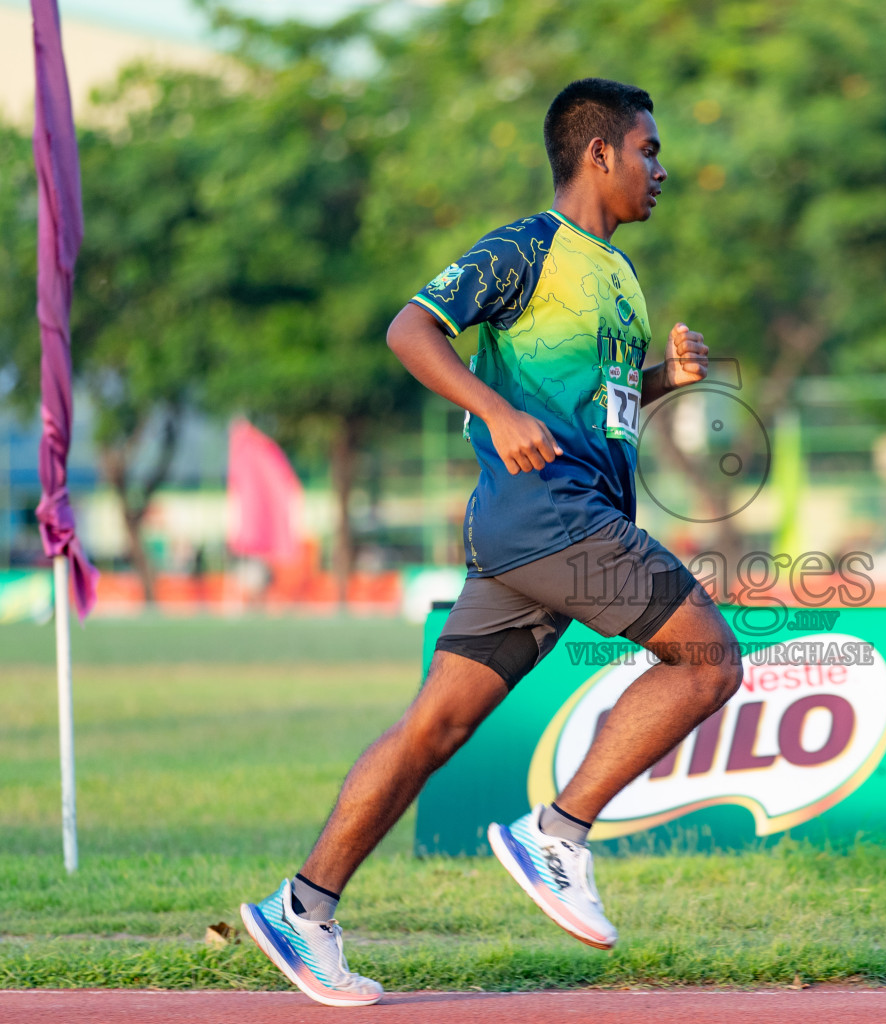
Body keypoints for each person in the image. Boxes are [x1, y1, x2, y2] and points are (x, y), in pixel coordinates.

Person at [239, 78, 742, 1007]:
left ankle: (299, 910)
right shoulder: (528, 246)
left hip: (542, 528)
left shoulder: (617, 276)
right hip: (548, 514)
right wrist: (495, 408)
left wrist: (662, 380)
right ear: (599, 154)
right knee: (708, 658)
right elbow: (410, 329)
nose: (661, 170)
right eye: (649, 149)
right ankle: (557, 832)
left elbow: (596, 408)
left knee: (436, 727)